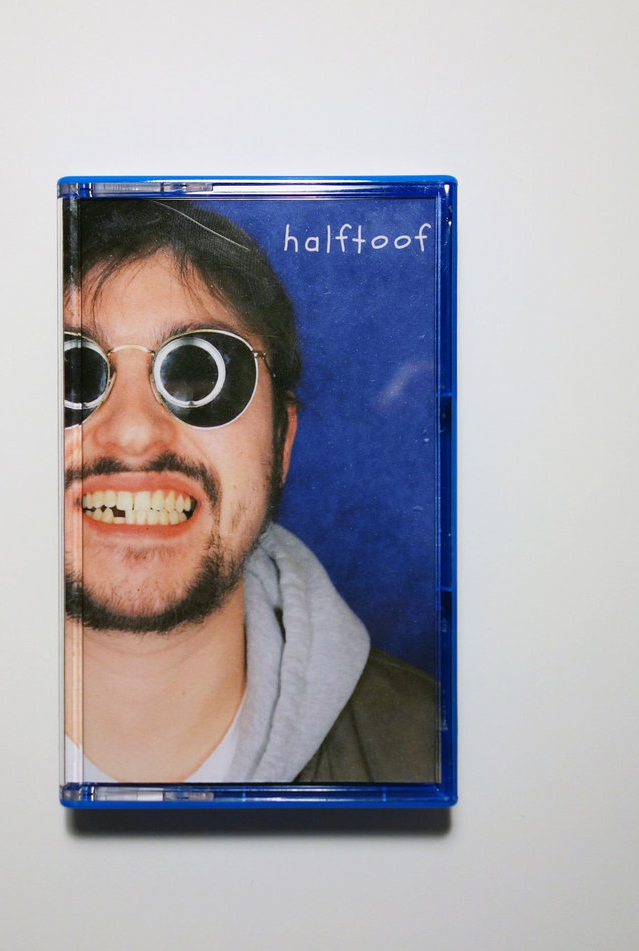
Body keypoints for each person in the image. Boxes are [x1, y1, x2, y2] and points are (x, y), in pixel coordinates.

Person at [62, 199, 436, 784]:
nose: (133, 433)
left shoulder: (432, 753)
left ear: (282, 443)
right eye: (72, 374)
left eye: (200, 374)